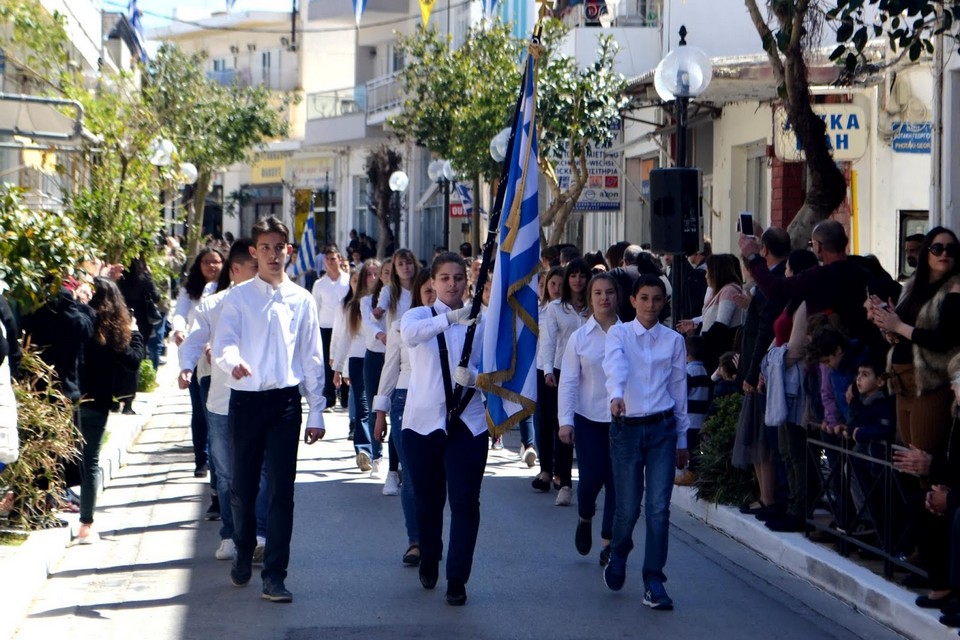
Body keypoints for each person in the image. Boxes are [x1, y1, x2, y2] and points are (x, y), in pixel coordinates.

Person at [212, 216, 326, 603]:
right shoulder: (239, 297)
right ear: (254, 252)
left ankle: (275, 574)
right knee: (241, 488)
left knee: (281, 491)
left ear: (288, 252)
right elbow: (224, 342)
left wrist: (316, 411)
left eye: (279, 247)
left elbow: (312, 358)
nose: (273, 254)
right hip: (245, 401)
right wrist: (232, 363)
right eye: (265, 247)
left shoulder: (302, 300)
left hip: (284, 404)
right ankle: (243, 551)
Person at [400, 252, 486, 606]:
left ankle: (457, 578)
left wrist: (478, 378)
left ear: (467, 281)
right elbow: (411, 335)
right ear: (432, 283)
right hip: (422, 423)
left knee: (465, 501)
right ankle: (430, 554)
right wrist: (451, 318)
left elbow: (501, 369)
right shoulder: (418, 315)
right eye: (445, 278)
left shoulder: (482, 321)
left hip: (468, 422)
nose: (453, 284)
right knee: (428, 499)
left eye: (458, 278)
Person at [603, 274, 689, 611]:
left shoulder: (673, 341)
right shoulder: (620, 333)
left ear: (664, 302)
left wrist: (682, 438)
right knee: (628, 506)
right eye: (645, 298)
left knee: (658, 509)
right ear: (633, 301)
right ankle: (619, 551)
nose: (651, 305)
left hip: (663, 429)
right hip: (626, 426)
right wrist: (616, 395)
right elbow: (615, 366)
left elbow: (679, 390)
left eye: (657, 299)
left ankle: (653, 579)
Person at [178, 239, 259, 561]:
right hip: (221, 403)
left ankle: (258, 533)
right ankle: (230, 533)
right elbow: (194, 339)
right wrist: (186, 367)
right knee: (225, 474)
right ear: (236, 270)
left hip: (257, 400)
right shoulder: (214, 304)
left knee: (258, 472)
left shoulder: (271, 302)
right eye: (254, 266)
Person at [870, 226, 960, 454]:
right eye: (937, 248)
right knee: (905, 464)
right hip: (902, 383)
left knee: (922, 462)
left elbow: (942, 340)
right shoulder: (913, 286)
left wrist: (898, 325)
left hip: (930, 385)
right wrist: (888, 326)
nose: (944, 254)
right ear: (927, 252)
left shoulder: (955, 288)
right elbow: (903, 334)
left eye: (951, 249)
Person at [558, 272, 621, 567]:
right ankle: (585, 516)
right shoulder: (579, 338)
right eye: (598, 293)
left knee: (617, 482)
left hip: (622, 420)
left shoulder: (629, 334)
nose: (604, 298)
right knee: (591, 479)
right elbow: (569, 381)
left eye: (609, 292)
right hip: (588, 418)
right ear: (590, 298)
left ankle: (608, 541)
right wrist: (565, 421)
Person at [77, 277, 145, 543]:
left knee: (67, 458)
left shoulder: (79, 320)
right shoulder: (113, 329)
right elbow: (133, 360)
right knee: (89, 461)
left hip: (69, 396)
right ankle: (86, 524)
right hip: (97, 401)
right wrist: (136, 333)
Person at [373, 268, 434, 563]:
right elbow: (390, 367)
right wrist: (380, 411)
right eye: (428, 292)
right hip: (405, 400)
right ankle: (416, 541)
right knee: (411, 474)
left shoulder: (458, 323)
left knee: (435, 477)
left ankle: (432, 536)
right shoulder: (401, 326)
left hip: (442, 405)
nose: (433, 297)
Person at [536, 258, 591, 506]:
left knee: (588, 426)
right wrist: (548, 369)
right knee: (562, 424)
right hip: (561, 371)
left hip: (591, 373)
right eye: (573, 275)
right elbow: (548, 341)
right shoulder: (556, 308)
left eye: (582, 275)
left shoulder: (596, 305)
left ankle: (588, 480)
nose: (578, 280)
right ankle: (564, 482)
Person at [369, 250, 420, 486]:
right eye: (401, 264)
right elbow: (382, 306)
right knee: (396, 411)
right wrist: (379, 312)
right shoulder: (391, 291)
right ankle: (392, 470)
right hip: (395, 347)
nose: (406, 268)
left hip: (418, 351)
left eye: (409, 263)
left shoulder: (421, 286)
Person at [173, 247, 224, 478]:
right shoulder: (189, 290)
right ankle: (201, 459)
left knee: (216, 409)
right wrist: (178, 329)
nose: (212, 266)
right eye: (206, 262)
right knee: (199, 410)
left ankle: (218, 458)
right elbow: (180, 313)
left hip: (219, 357)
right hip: (194, 354)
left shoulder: (227, 290)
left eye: (216, 262)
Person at [332, 259, 381, 470]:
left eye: (375, 274)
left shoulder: (388, 302)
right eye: (368, 275)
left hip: (382, 359)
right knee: (362, 407)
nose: (372, 278)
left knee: (378, 407)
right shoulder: (353, 306)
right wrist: (338, 368)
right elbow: (345, 337)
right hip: (358, 359)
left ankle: (380, 452)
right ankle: (364, 450)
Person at [312, 247, 351, 412]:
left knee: (345, 360)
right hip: (326, 327)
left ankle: (346, 395)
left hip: (345, 327)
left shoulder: (348, 280)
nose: (330, 262)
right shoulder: (319, 284)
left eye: (333, 258)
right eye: (327, 259)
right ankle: (329, 397)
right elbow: (315, 307)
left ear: (339, 259)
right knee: (329, 362)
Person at [674, 336, 710, 487]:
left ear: (686, 352)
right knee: (695, 445)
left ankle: (689, 473)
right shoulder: (704, 371)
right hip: (700, 418)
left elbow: (681, 395)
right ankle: (691, 471)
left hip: (689, 419)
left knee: (686, 445)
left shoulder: (688, 372)